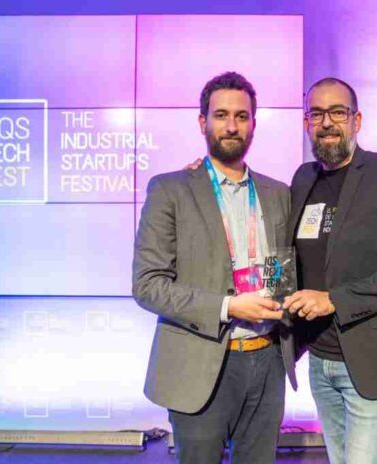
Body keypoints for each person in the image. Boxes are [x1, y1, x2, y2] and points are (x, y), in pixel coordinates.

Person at [132, 71, 296, 464]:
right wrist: (228, 306)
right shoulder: (170, 190)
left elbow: (282, 270)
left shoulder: (278, 193)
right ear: (202, 121)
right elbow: (147, 284)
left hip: (267, 361)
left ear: (254, 123)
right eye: (221, 115)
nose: (232, 126)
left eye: (242, 116)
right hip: (200, 362)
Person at [282, 77, 377, 464]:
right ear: (306, 122)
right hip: (320, 361)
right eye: (317, 113)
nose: (327, 122)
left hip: (375, 364)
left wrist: (335, 300)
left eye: (338, 112)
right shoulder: (303, 178)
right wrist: (205, 174)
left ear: (357, 120)